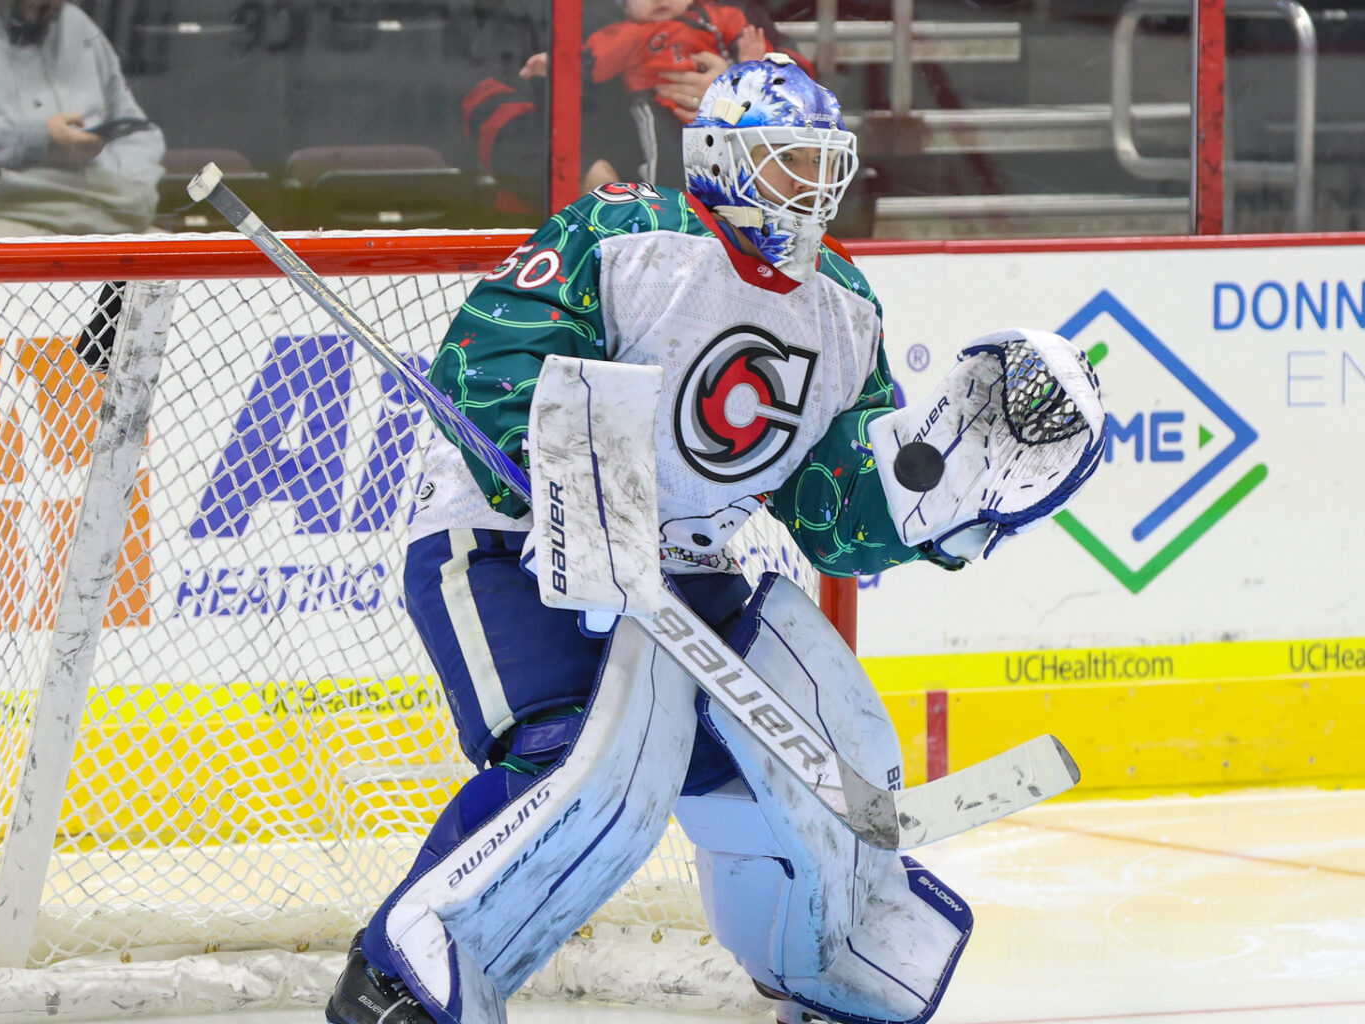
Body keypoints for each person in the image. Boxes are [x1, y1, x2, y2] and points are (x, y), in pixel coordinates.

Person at [325, 55, 1103, 1024]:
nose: (807, 186)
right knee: (593, 763)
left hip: (684, 568)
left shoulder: (846, 306)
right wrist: (579, 485)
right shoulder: (623, 231)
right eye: (783, 161)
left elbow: (829, 512)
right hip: (509, 541)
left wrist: (931, 499)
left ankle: (828, 971)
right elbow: (487, 355)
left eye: (819, 162)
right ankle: (405, 975)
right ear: (720, 159)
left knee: (831, 751)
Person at [0, 0, 166, 236]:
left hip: (102, 210)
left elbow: (136, 131)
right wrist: (38, 138)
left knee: (184, 272)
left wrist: (130, 181)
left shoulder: (77, 26)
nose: (50, 5)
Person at [520, 0, 811, 189]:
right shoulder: (624, 32)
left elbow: (799, 79)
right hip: (651, 110)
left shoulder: (720, 15)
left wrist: (748, 72)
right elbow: (589, 61)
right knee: (662, 161)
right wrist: (555, 63)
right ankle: (659, 205)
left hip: (724, 123)